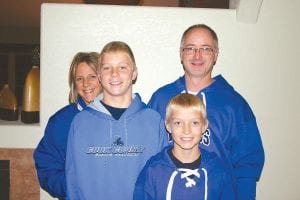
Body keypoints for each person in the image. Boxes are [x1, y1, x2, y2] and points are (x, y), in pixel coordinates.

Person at [148, 24, 265, 199]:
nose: (197, 55)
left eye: (205, 49)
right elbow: (146, 152)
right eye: (190, 48)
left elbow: (247, 165)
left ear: (216, 54)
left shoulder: (234, 104)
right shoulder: (161, 99)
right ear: (181, 53)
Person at [65, 41, 168, 200]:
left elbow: (162, 180)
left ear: (134, 73)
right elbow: (72, 182)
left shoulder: (154, 122)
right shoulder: (80, 123)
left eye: (122, 67)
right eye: (107, 68)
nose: (114, 74)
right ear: (99, 75)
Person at [134, 93, 236, 200]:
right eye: (178, 123)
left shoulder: (217, 169)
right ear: (168, 126)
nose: (186, 130)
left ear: (204, 126)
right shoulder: (153, 169)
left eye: (194, 123)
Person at [33, 52, 102, 199]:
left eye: (92, 76)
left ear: (103, 78)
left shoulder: (121, 117)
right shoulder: (60, 122)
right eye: (79, 78)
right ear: (74, 84)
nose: (86, 83)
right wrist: (72, 188)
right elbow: (47, 167)